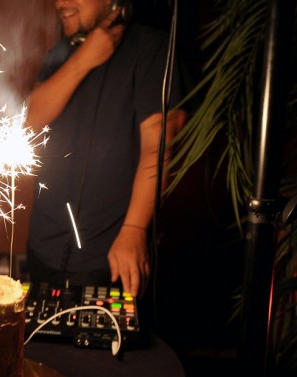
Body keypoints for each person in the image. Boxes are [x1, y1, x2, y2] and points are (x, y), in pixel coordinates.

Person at [24, 0, 191, 298]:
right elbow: (30, 120)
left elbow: (161, 148)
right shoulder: (61, 52)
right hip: (41, 252)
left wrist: (135, 230)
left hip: (112, 259)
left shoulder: (152, 48)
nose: (60, 3)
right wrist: (82, 60)